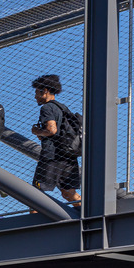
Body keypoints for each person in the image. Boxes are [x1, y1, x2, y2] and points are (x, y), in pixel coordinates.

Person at [29, 74, 80, 206]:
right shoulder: (63, 108)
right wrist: (43, 134)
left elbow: (52, 130)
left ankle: (35, 219)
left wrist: (37, 131)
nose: (35, 96)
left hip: (52, 156)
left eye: (36, 92)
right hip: (68, 155)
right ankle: (87, 213)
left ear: (45, 91)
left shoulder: (47, 108)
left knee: (35, 192)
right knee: (69, 192)